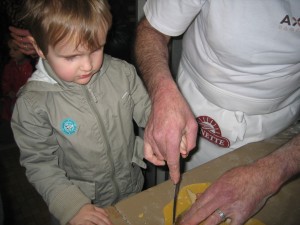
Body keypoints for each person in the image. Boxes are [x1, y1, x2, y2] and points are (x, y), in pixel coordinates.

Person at [134, 0, 300, 225]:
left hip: (280, 133)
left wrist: (273, 173)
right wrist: (162, 92)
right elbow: (152, 29)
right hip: (198, 107)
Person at [11, 0, 151, 225]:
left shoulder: (123, 73)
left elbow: (147, 111)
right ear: (40, 49)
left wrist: (159, 131)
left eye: (96, 48)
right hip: (81, 206)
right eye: (71, 57)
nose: (87, 65)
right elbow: (39, 162)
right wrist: (70, 205)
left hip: (131, 189)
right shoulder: (33, 104)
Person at [1, 38, 33, 121]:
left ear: (26, 50)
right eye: (10, 49)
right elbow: (5, 81)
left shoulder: (31, 68)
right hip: (11, 103)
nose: (11, 52)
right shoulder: (10, 66)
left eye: (15, 49)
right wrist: (8, 91)